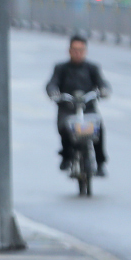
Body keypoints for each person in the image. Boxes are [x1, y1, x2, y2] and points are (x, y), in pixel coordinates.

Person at [45, 35, 111, 174]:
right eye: (74, 50)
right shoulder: (61, 68)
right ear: (69, 51)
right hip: (67, 109)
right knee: (65, 128)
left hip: (88, 109)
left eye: (81, 50)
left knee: (98, 128)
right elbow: (52, 83)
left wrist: (104, 90)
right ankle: (66, 156)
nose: (77, 53)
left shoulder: (92, 68)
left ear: (85, 51)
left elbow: (102, 82)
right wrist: (53, 92)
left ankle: (100, 163)